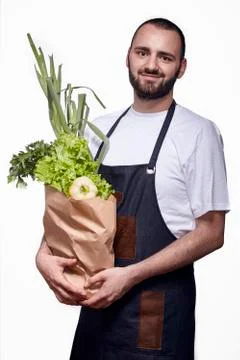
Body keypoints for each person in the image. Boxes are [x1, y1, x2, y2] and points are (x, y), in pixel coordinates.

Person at [36, 18, 230, 359]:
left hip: (157, 315)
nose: (152, 65)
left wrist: (130, 276)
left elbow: (212, 232)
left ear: (181, 68)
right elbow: (69, 211)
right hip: (96, 309)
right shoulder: (97, 131)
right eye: (143, 52)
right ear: (128, 57)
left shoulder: (198, 133)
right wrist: (43, 256)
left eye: (165, 57)